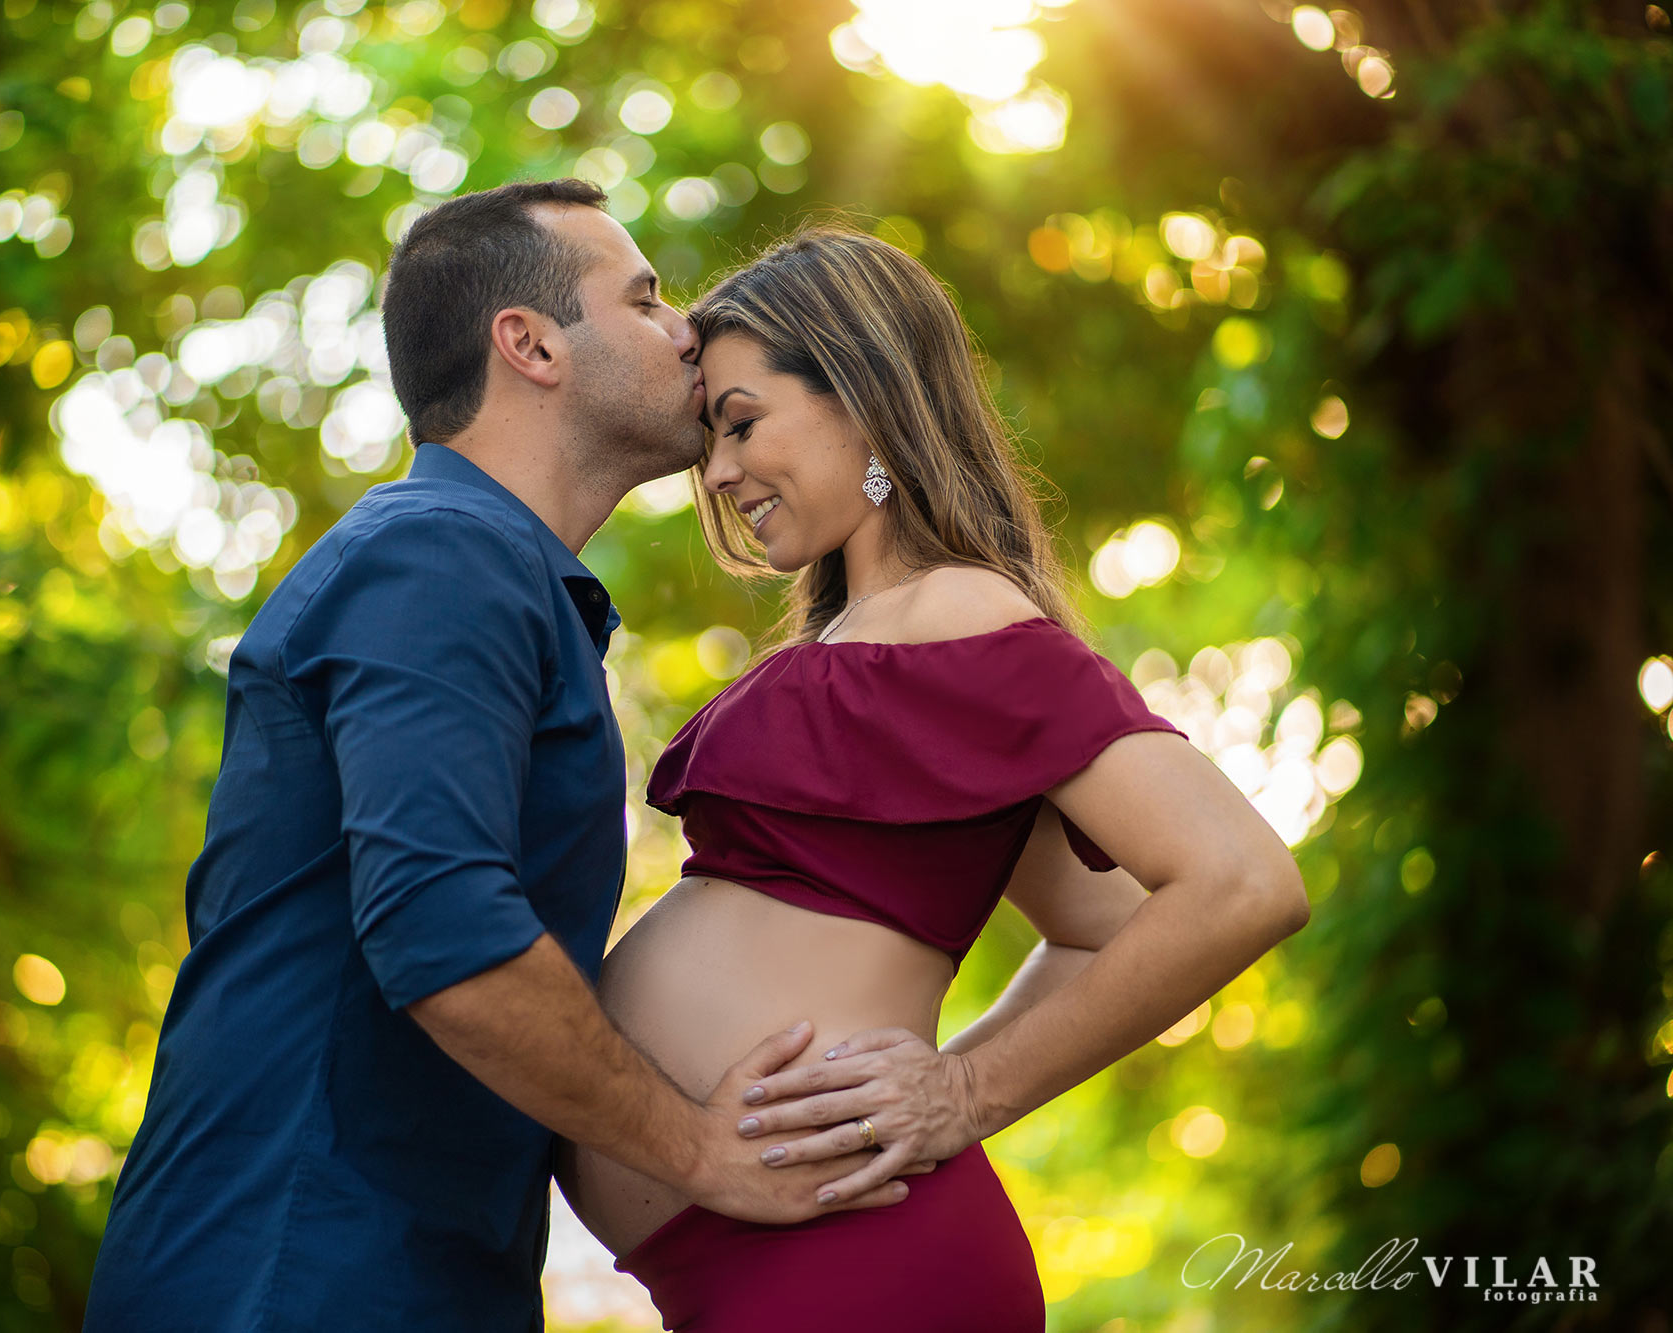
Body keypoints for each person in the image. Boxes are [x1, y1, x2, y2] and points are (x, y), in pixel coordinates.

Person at [81, 182, 931, 1333]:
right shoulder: (438, 553)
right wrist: (698, 1152)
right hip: (292, 1278)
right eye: (641, 298)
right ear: (527, 344)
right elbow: (442, 929)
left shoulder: (504, 580)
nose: (686, 329)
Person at [555, 224, 1313, 1331]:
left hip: (853, 1260)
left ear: (862, 393)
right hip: (762, 1257)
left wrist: (961, 1090)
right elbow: (1094, 925)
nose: (715, 472)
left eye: (741, 423)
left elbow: (1244, 882)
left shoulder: (958, 612)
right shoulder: (883, 635)